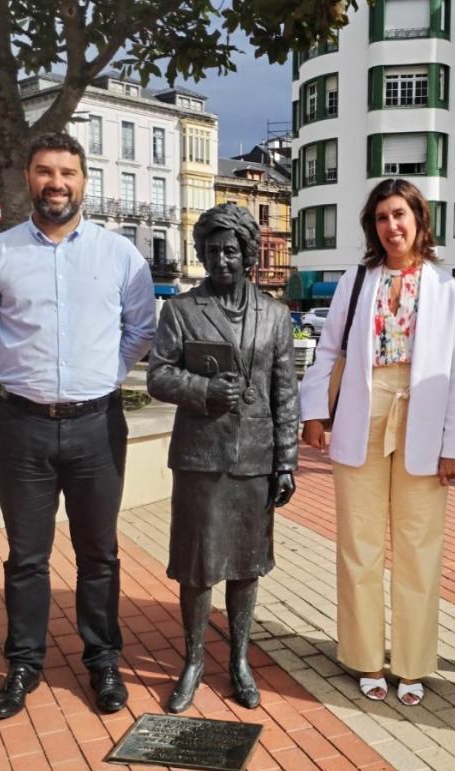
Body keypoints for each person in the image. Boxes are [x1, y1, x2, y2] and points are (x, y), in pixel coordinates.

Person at [0, 132, 156, 719]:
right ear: (29, 178)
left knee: (99, 552)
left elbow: (141, 331)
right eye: (46, 172)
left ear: (84, 180)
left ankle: (102, 659)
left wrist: (100, 374)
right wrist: (31, 378)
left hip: (97, 426)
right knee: (26, 555)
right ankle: (23, 662)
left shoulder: (120, 255)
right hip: (21, 425)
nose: (57, 183)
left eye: (67, 173)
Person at [299, 179, 455, 706]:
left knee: (419, 547)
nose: (391, 227)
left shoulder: (446, 289)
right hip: (363, 412)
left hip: (421, 414)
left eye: (400, 214)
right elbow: (327, 351)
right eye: (380, 218)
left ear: (419, 218)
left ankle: (415, 663)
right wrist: (315, 411)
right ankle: (364, 655)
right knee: (360, 543)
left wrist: (453, 443)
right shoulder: (356, 281)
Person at [146, 203, 299, 713]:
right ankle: (192, 660)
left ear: (249, 254)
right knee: (197, 566)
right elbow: (158, 376)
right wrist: (206, 388)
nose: (221, 260)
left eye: (230, 250)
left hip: (255, 458)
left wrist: (287, 461)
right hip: (200, 457)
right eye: (211, 251)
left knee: (245, 565)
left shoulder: (276, 317)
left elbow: (285, 394)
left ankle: (238, 660)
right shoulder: (181, 310)